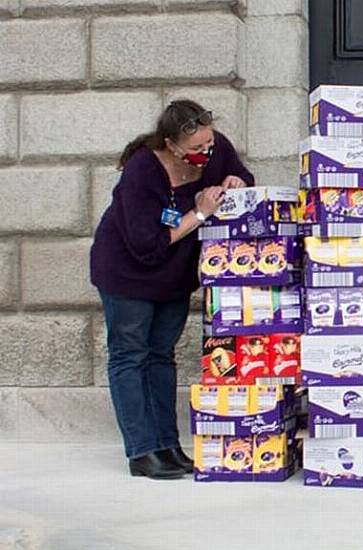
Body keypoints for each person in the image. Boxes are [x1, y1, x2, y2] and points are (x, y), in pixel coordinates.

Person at [90, 100, 253, 479]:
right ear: (172, 144)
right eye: (196, 149)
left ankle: (167, 445)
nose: (205, 153)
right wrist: (199, 214)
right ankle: (142, 451)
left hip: (173, 276)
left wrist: (237, 181)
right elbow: (147, 246)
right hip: (128, 273)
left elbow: (241, 173)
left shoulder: (215, 149)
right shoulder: (142, 171)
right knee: (130, 355)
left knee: (161, 356)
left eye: (208, 144)